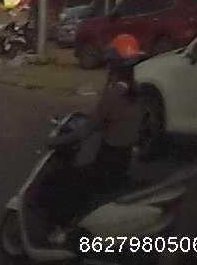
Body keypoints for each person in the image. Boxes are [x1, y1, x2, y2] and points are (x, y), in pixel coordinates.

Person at [38, 34, 145, 237]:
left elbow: (85, 131)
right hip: (124, 159)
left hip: (107, 163)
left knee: (60, 181)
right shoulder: (137, 91)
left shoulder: (114, 95)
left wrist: (55, 142)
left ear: (113, 65)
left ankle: (61, 231)